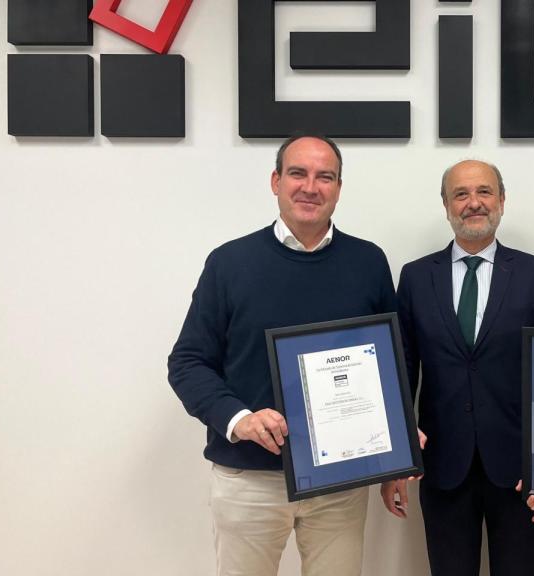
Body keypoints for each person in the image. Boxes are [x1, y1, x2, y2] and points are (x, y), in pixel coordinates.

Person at [167, 135, 397, 576]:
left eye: (324, 177)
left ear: (339, 188)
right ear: (276, 181)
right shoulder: (229, 262)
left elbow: (391, 360)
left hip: (341, 482)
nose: (310, 187)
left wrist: (396, 443)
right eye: (297, 173)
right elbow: (188, 362)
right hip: (250, 480)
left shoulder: (368, 262)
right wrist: (239, 419)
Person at [381, 160, 534, 575]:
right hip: (443, 465)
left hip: (519, 470)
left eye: (484, 191)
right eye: (461, 194)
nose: (473, 202)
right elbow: (402, 370)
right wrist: (395, 462)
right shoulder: (415, 277)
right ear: (446, 204)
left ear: (502, 200)